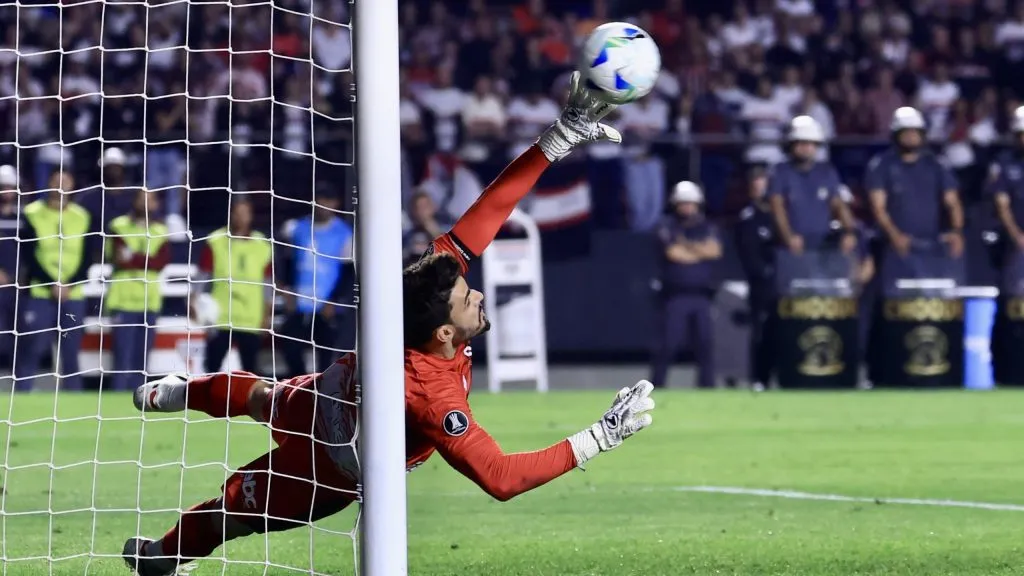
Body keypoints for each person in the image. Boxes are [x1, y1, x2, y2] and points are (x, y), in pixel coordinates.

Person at [122, 72, 656, 576]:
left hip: (331, 438)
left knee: (233, 501)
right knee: (260, 400)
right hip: (331, 429)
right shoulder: (431, 366)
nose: (478, 295)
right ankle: (181, 392)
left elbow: (490, 209)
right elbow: (501, 477)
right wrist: (601, 436)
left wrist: (555, 141)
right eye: (469, 297)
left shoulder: (429, 336)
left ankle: (160, 556)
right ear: (444, 332)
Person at [14, 171, 96, 391]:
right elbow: (29, 256)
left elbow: (88, 257)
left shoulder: (83, 216)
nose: (60, 186)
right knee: (31, 349)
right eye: (56, 181)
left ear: (72, 186)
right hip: (40, 293)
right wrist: (52, 284)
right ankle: (21, 398)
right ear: (48, 184)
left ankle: (74, 406)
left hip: (73, 294)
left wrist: (69, 283)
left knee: (71, 353)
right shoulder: (31, 213)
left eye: (65, 182)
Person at [865, 107, 964, 262]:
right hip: (895, 245)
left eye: (915, 132)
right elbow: (878, 207)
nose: (911, 136)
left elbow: (952, 202)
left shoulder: (936, 164)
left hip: (933, 243)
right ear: (896, 135)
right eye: (906, 132)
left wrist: (956, 232)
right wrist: (895, 235)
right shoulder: (881, 165)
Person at [649, 181, 722, 389]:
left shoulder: (708, 226)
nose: (687, 207)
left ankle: (707, 387)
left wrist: (687, 245)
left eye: (690, 203)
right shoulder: (666, 225)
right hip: (675, 295)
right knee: (667, 345)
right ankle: (656, 387)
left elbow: (715, 251)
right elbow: (674, 254)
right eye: (683, 203)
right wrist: (699, 249)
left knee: (705, 345)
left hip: (702, 295)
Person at [277, 189, 354, 377]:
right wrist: (287, 290)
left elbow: (348, 272)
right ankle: (301, 390)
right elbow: (286, 261)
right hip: (299, 304)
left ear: (336, 203)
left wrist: (333, 301)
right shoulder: (296, 228)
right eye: (320, 198)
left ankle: (323, 397)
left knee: (326, 358)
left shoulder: (344, 232)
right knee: (290, 350)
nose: (323, 203)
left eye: (328, 199)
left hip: (326, 306)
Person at [196, 196, 274, 374]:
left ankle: (246, 403)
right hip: (221, 317)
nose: (240, 217)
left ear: (251, 216)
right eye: (237, 213)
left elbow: (268, 283)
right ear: (230, 214)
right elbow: (202, 275)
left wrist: (267, 313)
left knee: (250, 371)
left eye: (244, 213)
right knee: (212, 369)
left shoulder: (262, 245)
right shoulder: (216, 240)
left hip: (251, 318)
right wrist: (193, 301)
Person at [766, 116, 858, 260]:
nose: (806, 148)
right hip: (792, 246)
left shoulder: (826, 171)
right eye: (801, 143)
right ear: (791, 145)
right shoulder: (780, 172)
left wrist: (849, 232)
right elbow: (777, 207)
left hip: (823, 246)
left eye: (810, 143)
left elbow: (838, 205)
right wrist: (788, 236)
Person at [106, 190, 171, 391]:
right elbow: (119, 258)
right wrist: (147, 259)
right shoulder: (118, 226)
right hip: (123, 300)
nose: (145, 203)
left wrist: (134, 257)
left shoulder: (162, 230)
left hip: (148, 302)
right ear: (133, 201)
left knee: (141, 359)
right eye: (141, 198)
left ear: (156, 204)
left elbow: (161, 262)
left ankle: (138, 400)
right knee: (121, 358)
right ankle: (115, 405)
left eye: (150, 199)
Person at [735, 165, 775, 391]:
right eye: (757, 187)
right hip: (762, 286)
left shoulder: (782, 214)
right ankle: (760, 378)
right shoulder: (748, 218)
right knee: (761, 331)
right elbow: (750, 258)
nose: (762, 191)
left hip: (786, 281)